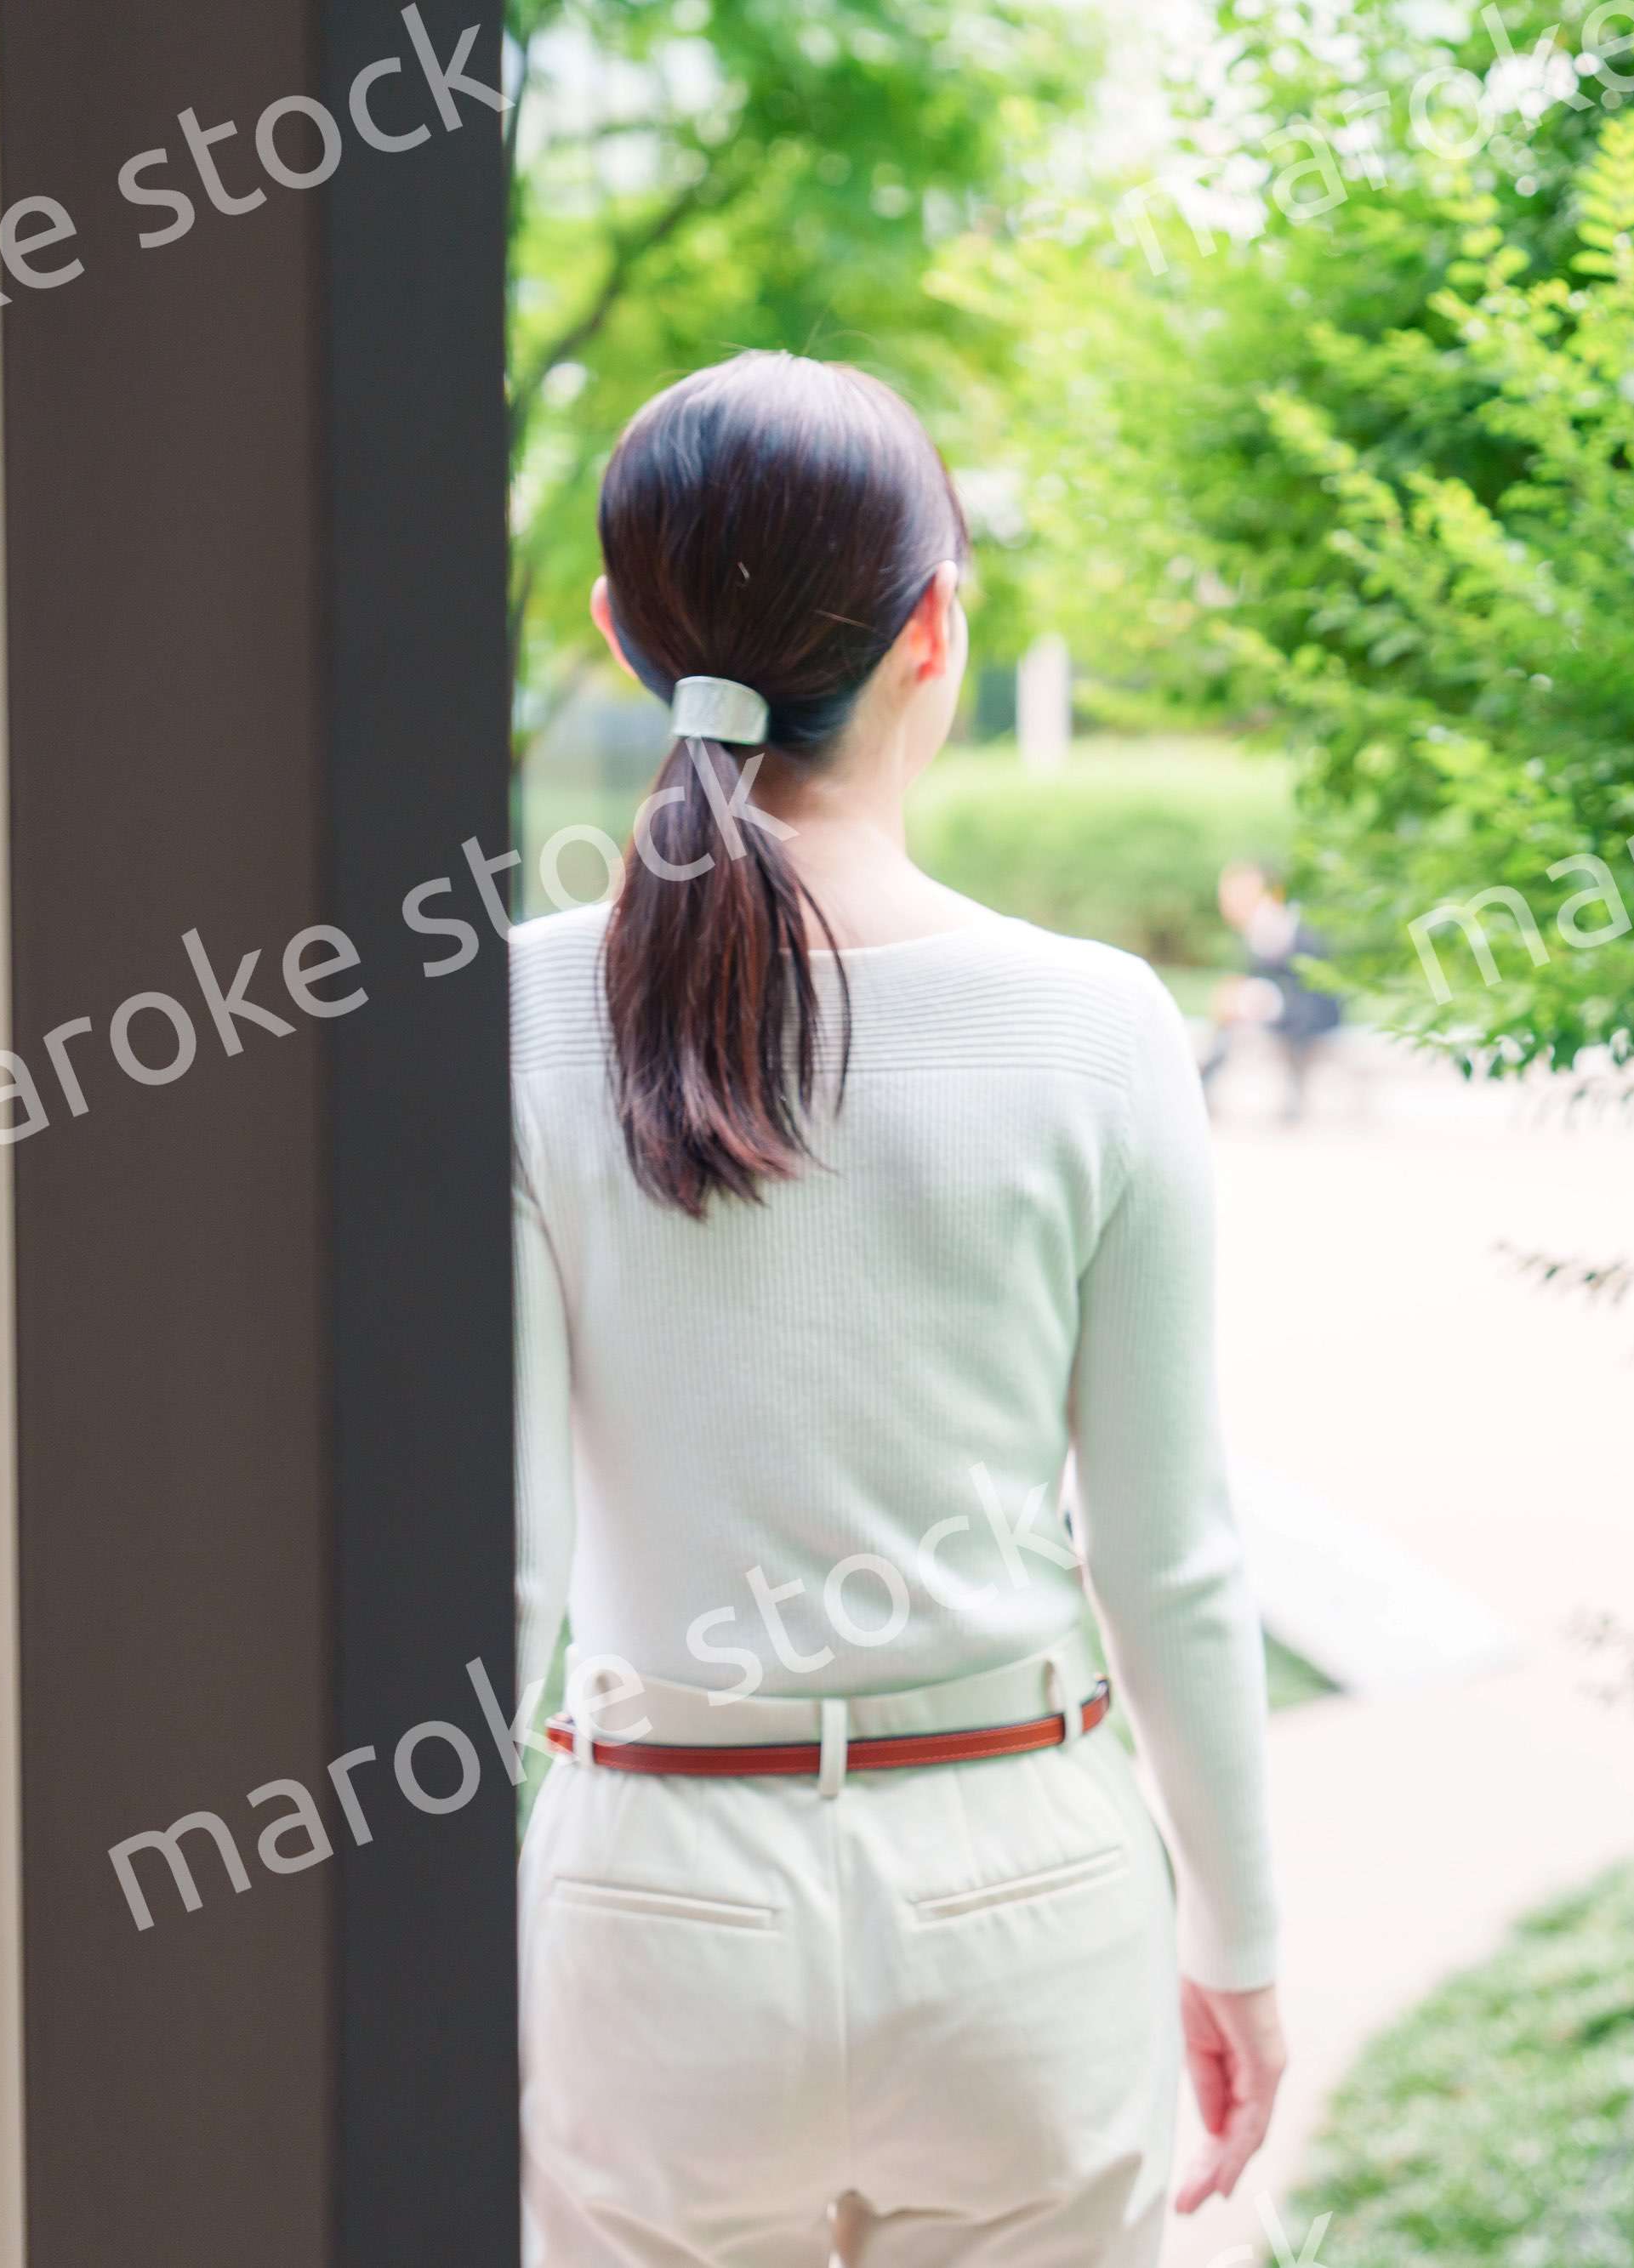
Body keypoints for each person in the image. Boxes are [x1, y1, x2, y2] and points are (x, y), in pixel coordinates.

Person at [510, 351, 1283, 2267]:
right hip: (1015, 1874)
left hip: (650, 1892)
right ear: (938, 629)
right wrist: (1239, 1943)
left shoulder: (509, 1014)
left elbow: (501, 1581)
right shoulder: (1095, 1023)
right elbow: (1168, 1553)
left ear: (623, 634)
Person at [1206, 861, 1345, 1123]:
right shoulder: (1263, 925)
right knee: (1230, 1009)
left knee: (1232, 1010)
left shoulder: (1275, 924)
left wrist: (1247, 999)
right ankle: (1204, 1087)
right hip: (1292, 1008)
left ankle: (1203, 1087)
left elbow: (1296, 984)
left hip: (1309, 1012)